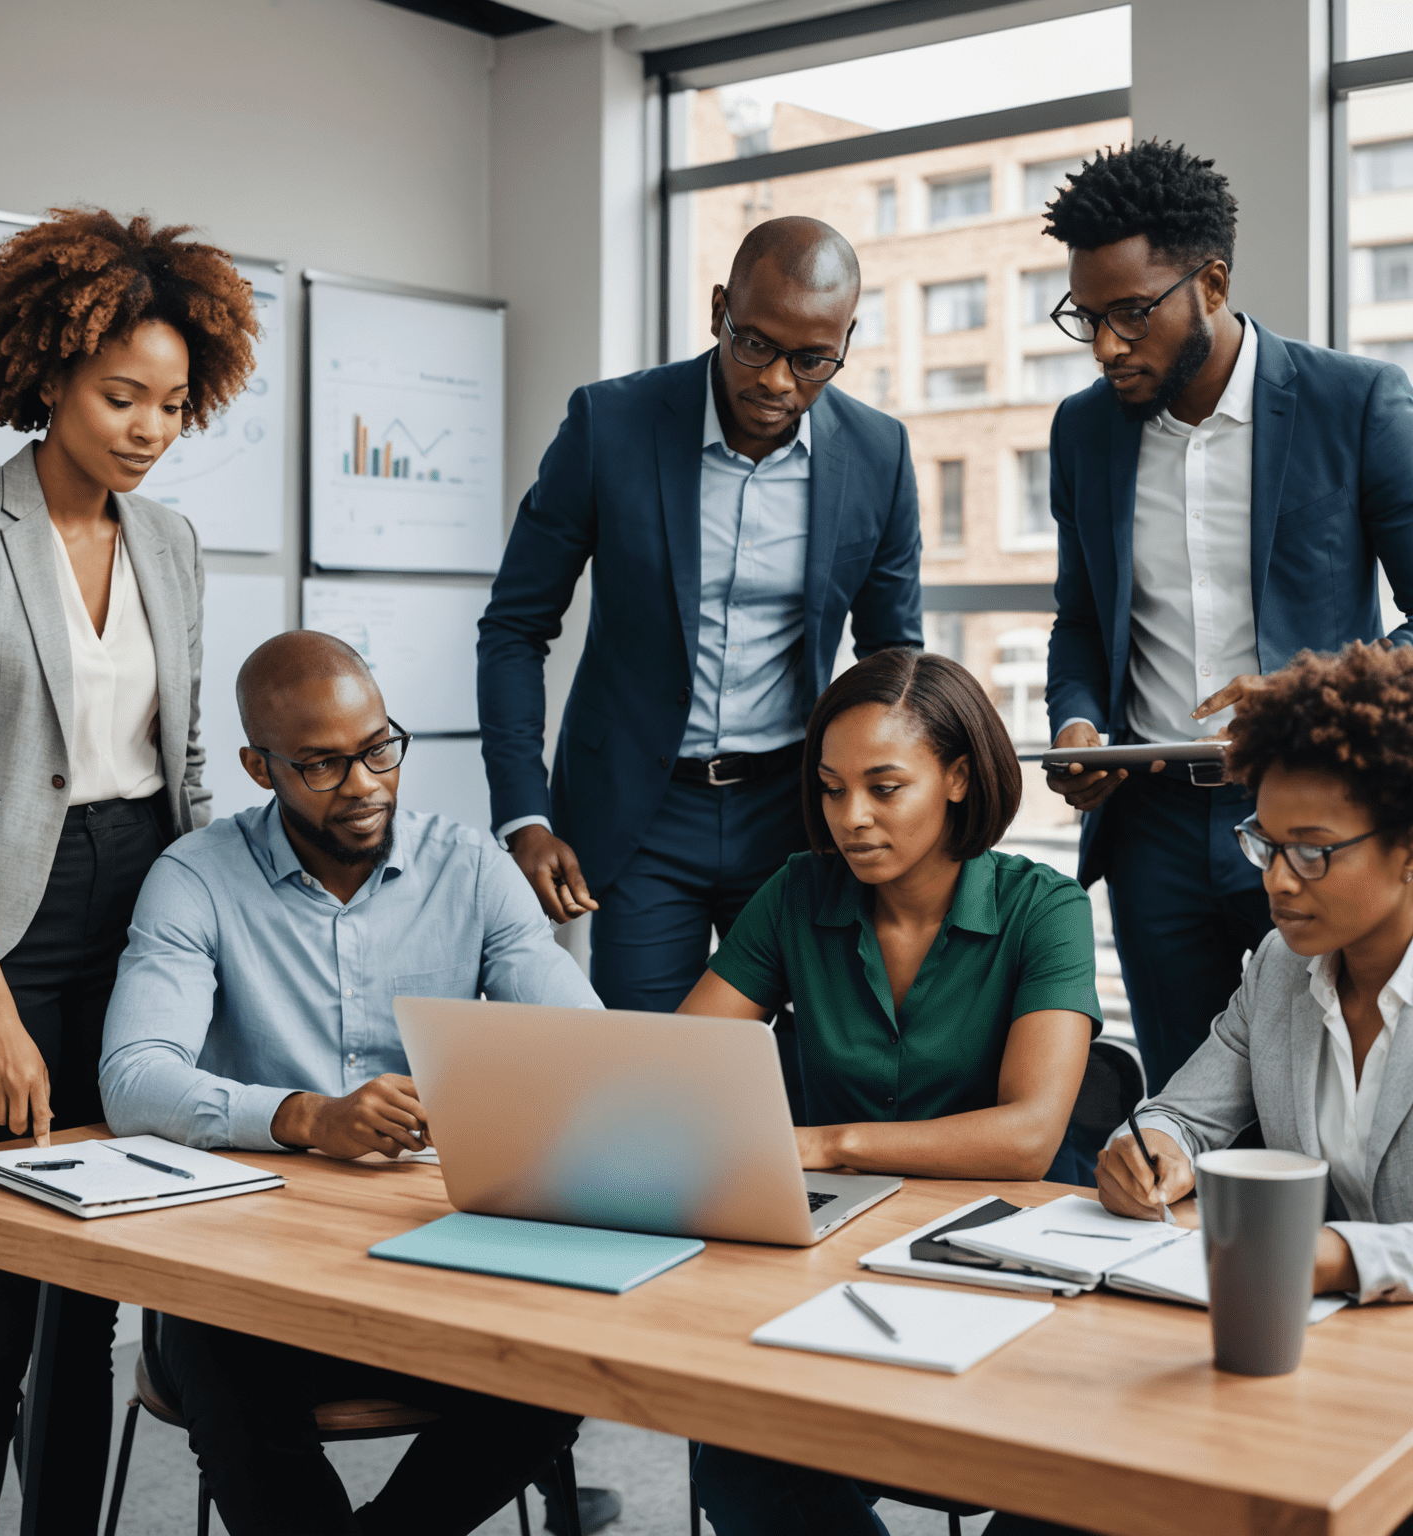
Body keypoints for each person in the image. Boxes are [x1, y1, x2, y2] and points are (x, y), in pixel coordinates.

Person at [0, 208, 257, 1536]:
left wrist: (238, 942)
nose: (150, 428)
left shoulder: (173, 545)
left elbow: (190, 765)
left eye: (171, 403)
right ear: (45, 375)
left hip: (137, 909)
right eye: (120, 397)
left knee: (93, 1290)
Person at [98, 630, 597, 1536]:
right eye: (323, 766)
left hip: (433, 1260)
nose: (365, 785)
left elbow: (587, 1051)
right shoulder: (196, 878)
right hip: (251, 1276)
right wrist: (306, 1118)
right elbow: (134, 1079)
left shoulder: (472, 868)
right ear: (260, 766)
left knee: (568, 1359)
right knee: (237, 1393)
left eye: (377, 750)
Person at [993, 642, 1413, 1536]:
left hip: (1383, 1387)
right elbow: (1183, 1113)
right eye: (1264, 843)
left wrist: (1337, 1256)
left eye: (1311, 853)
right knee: (1054, 1507)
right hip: (1307, 1363)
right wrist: (1152, 1157)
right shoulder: (1279, 971)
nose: (1272, 881)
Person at [679, 647, 1101, 1536]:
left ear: (956, 776)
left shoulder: (1046, 906)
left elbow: (1027, 1138)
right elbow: (680, 1068)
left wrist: (826, 1143)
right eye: (832, 789)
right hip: (831, 1254)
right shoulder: (798, 893)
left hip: (1010, 1262)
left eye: (883, 787)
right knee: (740, 1460)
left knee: (1082, 1489)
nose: (851, 819)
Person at [477, 215, 922, 1028]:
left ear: (846, 342)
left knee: (810, 1056)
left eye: (812, 359)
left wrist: (900, 806)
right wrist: (525, 815)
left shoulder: (879, 454)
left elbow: (895, 657)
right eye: (753, 344)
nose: (778, 382)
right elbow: (515, 627)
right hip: (642, 816)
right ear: (719, 308)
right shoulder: (608, 426)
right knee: (649, 1070)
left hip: (796, 810)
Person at [1038, 140, 1413, 1095]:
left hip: (1314, 817)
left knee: (1331, 1085)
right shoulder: (1083, 430)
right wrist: (1075, 719)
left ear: (1211, 282)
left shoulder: (1356, 402)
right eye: (1087, 317)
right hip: (1151, 820)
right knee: (1184, 1098)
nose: (1108, 345)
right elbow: (1079, 620)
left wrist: (1309, 699)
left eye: (1131, 313)